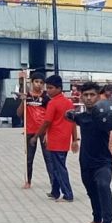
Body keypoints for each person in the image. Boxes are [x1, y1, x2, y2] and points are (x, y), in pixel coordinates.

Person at [71, 82, 112, 223]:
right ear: (81, 97)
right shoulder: (81, 117)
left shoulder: (105, 116)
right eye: (86, 95)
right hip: (86, 162)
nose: (89, 98)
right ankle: (97, 220)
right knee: (92, 192)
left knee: (103, 187)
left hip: (103, 162)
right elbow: (73, 118)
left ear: (98, 96)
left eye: (92, 95)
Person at [36, 74, 77, 202]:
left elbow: (47, 122)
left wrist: (36, 136)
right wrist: (75, 139)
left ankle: (68, 194)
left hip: (55, 140)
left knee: (59, 168)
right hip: (64, 139)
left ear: (59, 88)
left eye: (50, 88)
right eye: (47, 88)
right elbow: (73, 121)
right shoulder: (68, 102)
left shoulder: (53, 103)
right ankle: (55, 191)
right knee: (56, 166)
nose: (48, 90)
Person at [18, 71, 49, 190]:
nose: (39, 84)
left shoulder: (46, 97)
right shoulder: (27, 96)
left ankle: (53, 181)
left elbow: (50, 115)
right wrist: (23, 101)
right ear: (32, 82)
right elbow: (19, 114)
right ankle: (28, 181)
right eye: (36, 82)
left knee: (48, 158)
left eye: (41, 82)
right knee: (29, 158)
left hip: (43, 131)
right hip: (30, 131)